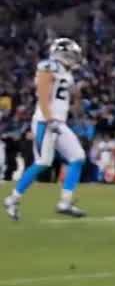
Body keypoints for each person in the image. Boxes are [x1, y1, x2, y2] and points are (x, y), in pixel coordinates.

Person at [4, 38, 88, 220]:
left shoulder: (67, 73)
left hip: (59, 122)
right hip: (46, 121)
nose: (74, 59)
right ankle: (13, 198)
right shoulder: (48, 66)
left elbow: (67, 97)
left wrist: (78, 93)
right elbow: (42, 94)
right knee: (43, 162)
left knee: (78, 157)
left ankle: (65, 202)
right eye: (72, 55)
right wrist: (50, 119)